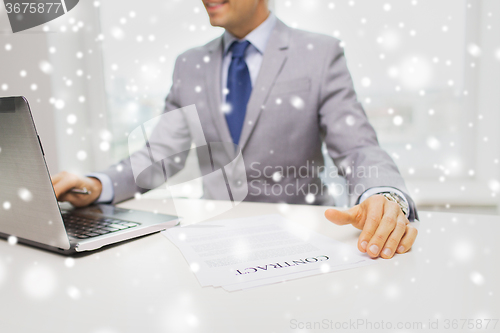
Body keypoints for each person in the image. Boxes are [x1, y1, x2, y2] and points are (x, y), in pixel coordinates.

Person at [52, 0, 418, 259]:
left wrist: (384, 194)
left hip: (302, 243)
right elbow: (158, 155)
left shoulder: (319, 53)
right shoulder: (189, 65)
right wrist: (99, 184)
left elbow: (357, 147)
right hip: (216, 244)